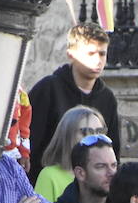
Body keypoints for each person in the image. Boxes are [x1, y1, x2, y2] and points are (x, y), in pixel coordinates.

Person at [29, 22, 121, 177]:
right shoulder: (48, 89)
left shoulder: (107, 98)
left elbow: (112, 148)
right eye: (91, 53)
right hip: (47, 181)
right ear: (71, 54)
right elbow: (31, 142)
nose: (98, 60)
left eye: (102, 53)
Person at [34, 106, 109, 203]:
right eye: (86, 132)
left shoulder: (108, 175)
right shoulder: (50, 176)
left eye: (100, 132)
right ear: (67, 136)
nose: (96, 139)